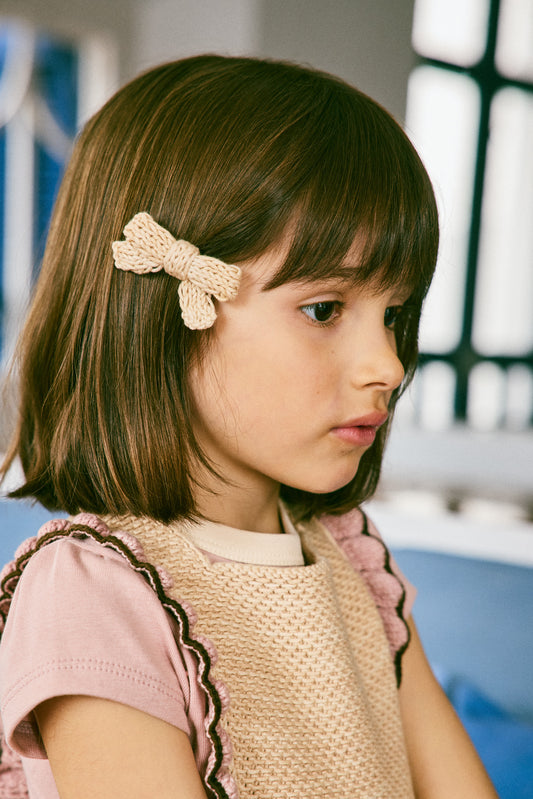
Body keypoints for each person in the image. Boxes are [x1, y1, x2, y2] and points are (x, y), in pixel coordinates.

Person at [0, 55, 497, 799]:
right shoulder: (93, 594)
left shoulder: (350, 558)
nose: (388, 365)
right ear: (170, 309)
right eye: (325, 309)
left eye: (394, 314)